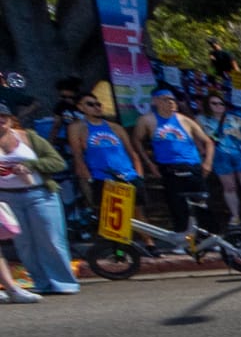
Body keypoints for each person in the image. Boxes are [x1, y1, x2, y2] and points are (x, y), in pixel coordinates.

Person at [0, 98, 80, 297]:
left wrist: (31, 165)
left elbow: (57, 162)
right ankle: (41, 283)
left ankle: (63, 283)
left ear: (11, 120)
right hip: (7, 199)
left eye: (3, 118)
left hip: (40, 194)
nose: (0, 121)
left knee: (51, 239)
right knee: (24, 244)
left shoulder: (29, 138)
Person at [132, 87, 215, 241]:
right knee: (177, 204)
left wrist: (208, 162)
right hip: (169, 167)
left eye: (172, 100)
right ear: (155, 101)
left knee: (201, 203)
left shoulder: (185, 120)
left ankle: (208, 237)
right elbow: (137, 140)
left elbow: (208, 141)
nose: (170, 103)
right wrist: (149, 163)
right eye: (165, 99)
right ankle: (184, 240)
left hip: (192, 165)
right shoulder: (147, 120)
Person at [66, 90, 141, 221]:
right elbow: (78, 156)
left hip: (128, 174)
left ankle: (148, 241)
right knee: (112, 219)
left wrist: (139, 175)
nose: (96, 107)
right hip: (103, 177)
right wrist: (88, 179)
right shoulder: (77, 128)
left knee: (138, 215)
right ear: (80, 107)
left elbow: (132, 152)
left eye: (98, 104)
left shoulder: (115, 127)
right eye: (90, 104)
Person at [197, 93, 241, 227]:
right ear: (208, 105)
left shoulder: (235, 119)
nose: (218, 106)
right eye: (214, 103)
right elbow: (196, 136)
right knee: (229, 187)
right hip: (220, 156)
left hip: (240, 154)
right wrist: (202, 151)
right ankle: (235, 216)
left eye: (221, 103)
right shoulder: (202, 120)